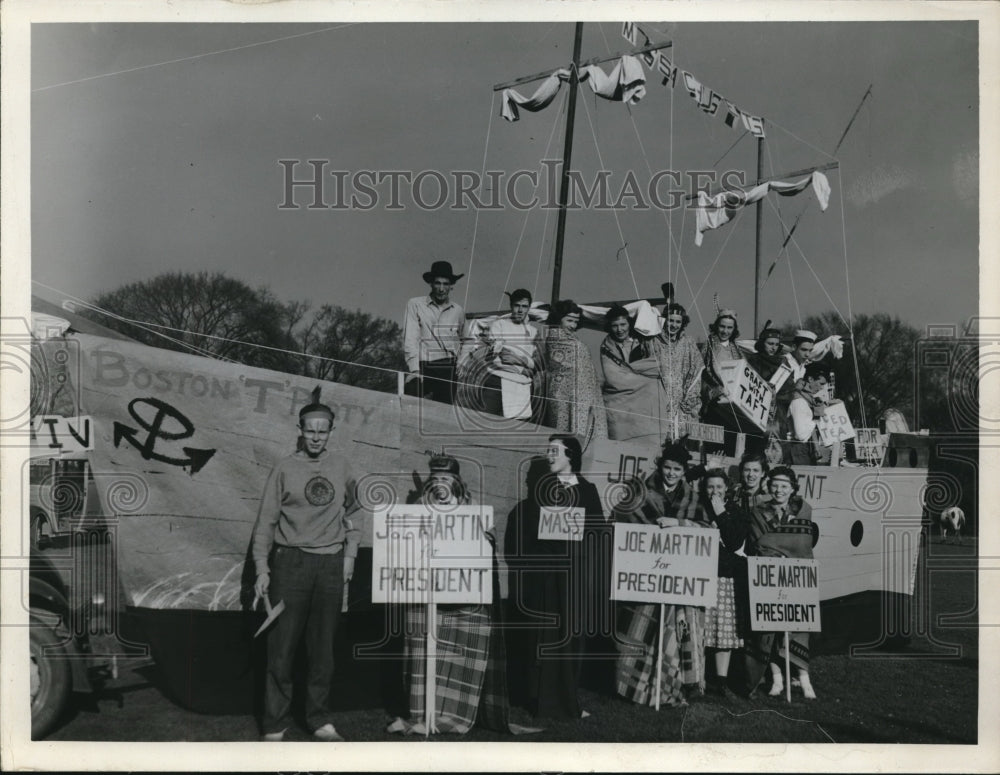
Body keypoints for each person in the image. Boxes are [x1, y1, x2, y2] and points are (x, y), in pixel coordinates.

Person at [388, 455, 529, 735]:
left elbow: (487, 546)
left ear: (456, 481)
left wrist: (484, 538)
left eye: (446, 478)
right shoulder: (418, 508)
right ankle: (421, 713)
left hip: (462, 596)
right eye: (436, 478)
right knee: (426, 653)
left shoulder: (471, 509)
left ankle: (456, 714)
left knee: (458, 654)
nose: (441, 483)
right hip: (428, 594)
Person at [252, 399, 360, 742]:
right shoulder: (284, 468)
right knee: (281, 650)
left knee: (323, 650)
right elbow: (266, 522)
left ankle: (319, 720)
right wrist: (262, 568)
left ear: (331, 432)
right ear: (300, 431)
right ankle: (274, 723)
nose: (315, 437)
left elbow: (355, 516)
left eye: (322, 431)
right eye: (309, 430)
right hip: (290, 563)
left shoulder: (342, 466)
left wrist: (349, 558)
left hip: (329, 565)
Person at [504, 434, 607, 719]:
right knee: (543, 637)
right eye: (548, 451)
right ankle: (539, 700)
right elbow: (526, 539)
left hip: (574, 577)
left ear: (570, 456)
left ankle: (567, 699)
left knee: (571, 638)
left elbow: (597, 533)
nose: (549, 456)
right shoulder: (540, 490)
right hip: (546, 578)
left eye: (555, 451)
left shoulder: (588, 491)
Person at [612, 440, 709, 706]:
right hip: (646, 575)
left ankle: (669, 690)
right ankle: (635, 691)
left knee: (672, 638)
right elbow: (622, 518)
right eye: (668, 467)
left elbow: (706, 529)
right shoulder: (641, 489)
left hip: (677, 577)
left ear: (683, 470)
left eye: (677, 469)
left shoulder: (693, 498)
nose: (671, 474)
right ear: (660, 466)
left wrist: (678, 524)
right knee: (639, 630)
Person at [742, 466, 819, 700]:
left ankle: (804, 680)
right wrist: (779, 555)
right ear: (769, 485)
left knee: (798, 628)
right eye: (775, 484)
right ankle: (777, 679)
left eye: (784, 485)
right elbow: (760, 545)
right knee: (771, 628)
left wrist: (788, 553)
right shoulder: (758, 512)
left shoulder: (804, 510)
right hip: (768, 576)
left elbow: (804, 543)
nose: (779, 489)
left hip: (796, 576)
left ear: (793, 488)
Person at [695, 469, 749, 698]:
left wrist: (720, 512)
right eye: (710, 486)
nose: (714, 491)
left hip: (725, 575)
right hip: (701, 574)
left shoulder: (735, 511)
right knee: (702, 629)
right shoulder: (698, 508)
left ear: (726, 488)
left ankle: (720, 681)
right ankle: (699, 679)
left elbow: (734, 540)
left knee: (723, 631)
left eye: (719, 486)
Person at [600, 305, 669, 444]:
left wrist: (635, 372)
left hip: (647, 405)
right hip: (620, 403)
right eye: (615, 326)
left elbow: (658, 367)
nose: (620, 329)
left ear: (629, 324)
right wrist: (645, 378)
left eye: (623, 324)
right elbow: (615, 378)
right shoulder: (607, 346)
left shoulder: (643, 340)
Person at [543, 299, 608, 442]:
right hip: (563, 395)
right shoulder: (555, 337)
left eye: (576, 322)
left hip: (581, 396)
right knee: (564, 434)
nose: (573, 325)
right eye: (569, 320)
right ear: (559, 319)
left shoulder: (572, 339)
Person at [403, 260, 467, 404]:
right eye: (438, 283)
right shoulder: (415, 304)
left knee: (443, 413)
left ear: (451, 287)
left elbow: (467, 339)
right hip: (422, 364)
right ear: (431, 284)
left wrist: (462, 362)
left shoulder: (458, 311)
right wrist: (414, 370)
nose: (441, 288)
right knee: (410, 402)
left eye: (446, 284)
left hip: (448, 367)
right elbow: (410, 338)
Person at [481, 288, 542, 419]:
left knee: (514, 428)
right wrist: (523, 367)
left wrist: (519, 359)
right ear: (511, 306)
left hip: (522, 386)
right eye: (517, 306)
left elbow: (538, 363)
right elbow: (499, 358)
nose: (520, 310)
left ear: (529, 308)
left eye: (524, 306)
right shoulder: (499, 325)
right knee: (486, 422)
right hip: (497, 381)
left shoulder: (533, 331)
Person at [700, 309, 746, 456]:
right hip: (714, 405)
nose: (725, 331)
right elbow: (699, 374)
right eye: (722, 326)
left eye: (729, 327)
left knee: (731, 446)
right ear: (716, 326)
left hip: (733, 407)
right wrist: (714, 391)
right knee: (714, 447)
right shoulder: (708, 346)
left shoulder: (736, 349)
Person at [653, 302, 703, 434]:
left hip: (681, 401)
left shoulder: (688, 342)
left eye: (678, 322)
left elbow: (697, 371)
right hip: (660, 400)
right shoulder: (654, 341)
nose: (674, 325)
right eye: (671, 321)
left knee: (682, 439)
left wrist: (691, 399)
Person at [788, 362, 834, 465]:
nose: (821, 388)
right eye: (821, 383)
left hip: (804, 449)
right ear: (810, 379)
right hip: (797, 449)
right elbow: (801, 435)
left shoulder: (808, 400)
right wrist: (816, 420)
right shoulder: (799, 401)